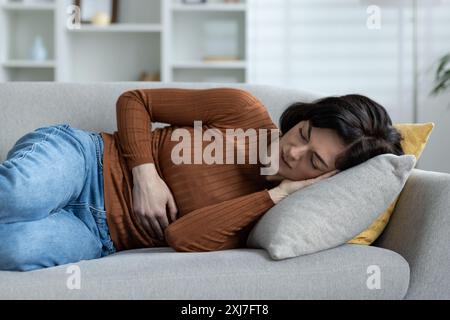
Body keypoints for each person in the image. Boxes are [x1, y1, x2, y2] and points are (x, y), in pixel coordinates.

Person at [0, 88, 404, 271]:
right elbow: (136, 101)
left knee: (14, 248)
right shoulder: (242, 112)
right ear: (301, 118)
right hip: (85, 158)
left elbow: (181, 238)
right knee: (19, 194)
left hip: (97, 235)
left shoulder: (262, 216)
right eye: (301, 134)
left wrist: (278, 194)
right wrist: (145, 173)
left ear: (328, 178)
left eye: (313, 162)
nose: (292, 152)